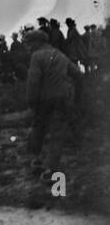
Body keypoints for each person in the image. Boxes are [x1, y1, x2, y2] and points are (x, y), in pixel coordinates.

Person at [25, 28, 79, 180]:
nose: (28, 47)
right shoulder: (60, 55)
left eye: (29, 44)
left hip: (44, 100)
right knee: (57, 134)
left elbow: (33, 81)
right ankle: (52, 169)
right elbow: (76, 73)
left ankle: (36, 161)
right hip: (62, 99)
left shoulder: (37, 56)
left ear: (37, 42)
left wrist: (31, 101)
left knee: (37, 129)